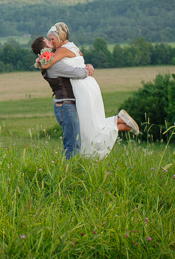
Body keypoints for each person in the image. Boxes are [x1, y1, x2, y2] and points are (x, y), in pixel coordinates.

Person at [36, 22, 140, 159]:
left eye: (52, 39)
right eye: (49, 41)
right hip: (90, 84)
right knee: (92, 123)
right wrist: (88, 66)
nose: (51, 43)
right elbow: (81, 64)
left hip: (82, 87)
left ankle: (118, 123)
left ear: (60, 37)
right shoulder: (73, 47)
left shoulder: (61, 51)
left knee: (88, 129)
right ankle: (118, 122)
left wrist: (38, 60)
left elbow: (47, 64)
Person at [31, 36, 94, 159]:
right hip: (66, 106)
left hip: (65, 106)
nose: (51, 43)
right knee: (73, 144)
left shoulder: (50, 63)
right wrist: (87, 71)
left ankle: (69, 170)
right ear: (45, 49)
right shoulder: (53, 66)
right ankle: (69, 172)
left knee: (72, 142)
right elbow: (77, 73)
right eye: (48, 42)